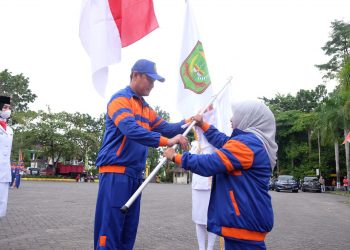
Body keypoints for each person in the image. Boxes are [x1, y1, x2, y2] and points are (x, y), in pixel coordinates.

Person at [94, 59, 189, 250]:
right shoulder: (120, 99)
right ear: (135, 75)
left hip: (135, 176)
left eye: (155, 82)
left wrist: (190, 120)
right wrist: (166, 141)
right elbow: (131, 129)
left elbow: (168, 128)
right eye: (150, 80)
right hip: (116, 174)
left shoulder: (146, 108)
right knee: (110, 231)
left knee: (127, 232)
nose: (153, 85)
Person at [164, 100, 278, 250]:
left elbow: (209, 164)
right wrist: (203, 125)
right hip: (244, 225)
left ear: (248, 118)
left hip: (243, 225)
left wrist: (176, 157)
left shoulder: (247, 145)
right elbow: (224, 141)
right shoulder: (252, 143)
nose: (231, 119)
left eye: (236, 115)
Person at [190, 141, 217, 250]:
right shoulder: (195, 144)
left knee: (213, 220)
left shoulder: (215, 142)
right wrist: (197, 149)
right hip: (198, 186)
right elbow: (189, 160)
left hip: (214, 186)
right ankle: (201, 248)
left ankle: (210, 248)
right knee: (199, 219)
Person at [0, 95, 13, 217]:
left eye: (9, 107)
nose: (7, 110)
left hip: (4, 170)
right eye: (5, 107)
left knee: (2, 199)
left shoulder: (9, 129)